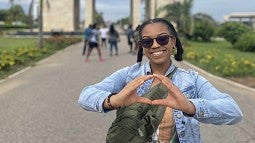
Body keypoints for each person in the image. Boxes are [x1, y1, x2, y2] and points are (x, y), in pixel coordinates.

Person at [78, 18, 243, 142]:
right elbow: (86, 95)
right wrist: (113, 100)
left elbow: (233, 111)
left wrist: (190, 106)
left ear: (173, 41)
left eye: (162, 39)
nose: (155, 45)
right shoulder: (129, 75)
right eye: (147, 41)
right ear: (142, 46)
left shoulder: (191, 80)